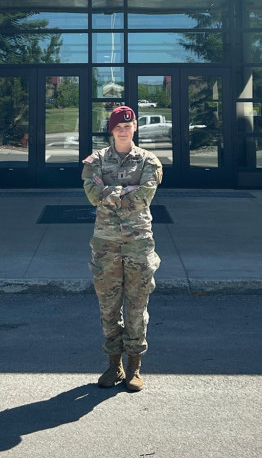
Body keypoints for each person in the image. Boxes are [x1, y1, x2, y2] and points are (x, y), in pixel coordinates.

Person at [82, 105, 163, 392]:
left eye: (128, 126)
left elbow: (145, 195)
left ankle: (134, 366)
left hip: (139, 243)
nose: (124, 131)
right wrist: (126, 190)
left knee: (137, 306)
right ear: (112, 130)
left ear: (135, 128)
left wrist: (110, 192)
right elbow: (93, 194)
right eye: (119, 127)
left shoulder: (149, 161)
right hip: (105, 245)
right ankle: (113, 364)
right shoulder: (95, 160)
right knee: (108, 307)